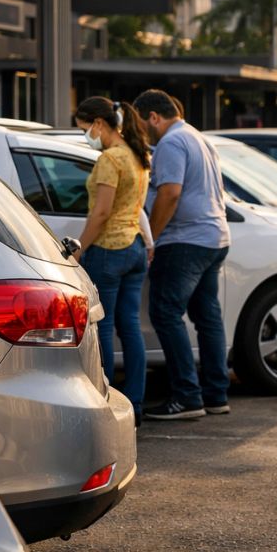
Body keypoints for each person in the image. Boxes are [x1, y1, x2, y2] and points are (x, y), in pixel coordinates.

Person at [134, 89, 233, 420]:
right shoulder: (198, 138)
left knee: (165, 313)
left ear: (153, 118)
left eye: (141, 122)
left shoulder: (171, 143)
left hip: (184, 241)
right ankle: (216, 395)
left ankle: (187, 397)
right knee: (207, 317)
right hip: (213, 237)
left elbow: (170, 193)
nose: (141, 130)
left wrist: (153, 238)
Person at [73, 97, 152, 422]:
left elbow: (101, 212)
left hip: (109, 250)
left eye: (84, 128)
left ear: (100, 124)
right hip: (134, 245)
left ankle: (108, 399)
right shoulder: (137, 154)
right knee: (130, 326)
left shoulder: (110, 159)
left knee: (103, 326)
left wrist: (78, 249)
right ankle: (136, 400)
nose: (85, 135)